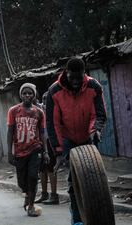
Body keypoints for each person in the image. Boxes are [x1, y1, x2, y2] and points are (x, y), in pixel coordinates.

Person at [46, 58, 106, 225]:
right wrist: (58, 152)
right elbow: (53, 123)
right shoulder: (54, 91)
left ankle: (97, 212)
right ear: (67, 73)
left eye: (79, 78)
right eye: (72, 77)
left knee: (95, 176)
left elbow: (99, 114)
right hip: (68, 140)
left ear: (83, 74)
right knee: (74, 180)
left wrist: (96, 130)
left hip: (89, 137)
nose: (75, 81)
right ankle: (77, 218)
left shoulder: (94, 86)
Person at [7, 83, 48, 217]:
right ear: (21, 95)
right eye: (24, 93)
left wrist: (45, 151)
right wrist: (10, 152)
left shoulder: (39, 112)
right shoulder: (13, 111)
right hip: (19, 151)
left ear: (34, 95)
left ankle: (31, 205)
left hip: (35, 149)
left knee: (33, 177)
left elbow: (42, 133)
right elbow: (10, 132)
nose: (27, 95)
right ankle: (27, 194)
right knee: (21, 182)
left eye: (30, 93)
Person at [35, 92, 59, 205]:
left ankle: (54, 195)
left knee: (51, 168)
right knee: (41, 169)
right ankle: (44, 194)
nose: (45, 101)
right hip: (40, 142)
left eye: (47, 99)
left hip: (51, 142)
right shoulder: (39, 109)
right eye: (44, 99)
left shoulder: (54, 110)